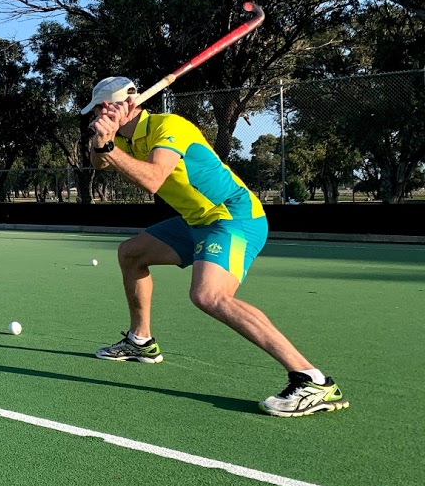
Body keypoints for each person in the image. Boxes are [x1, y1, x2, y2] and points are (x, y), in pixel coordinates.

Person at [85, 75, 348, 417]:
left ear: (110, 105)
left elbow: (151, 180)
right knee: (131, 253)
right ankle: (141, 342)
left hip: (232, 216)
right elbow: (100, 163)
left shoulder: (169, 126)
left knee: (209, 296)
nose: (94, 117)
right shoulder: (128, 137)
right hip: (196, 221)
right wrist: (101, 143)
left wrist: (108, 146)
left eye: (97, 110)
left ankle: (312, 380)